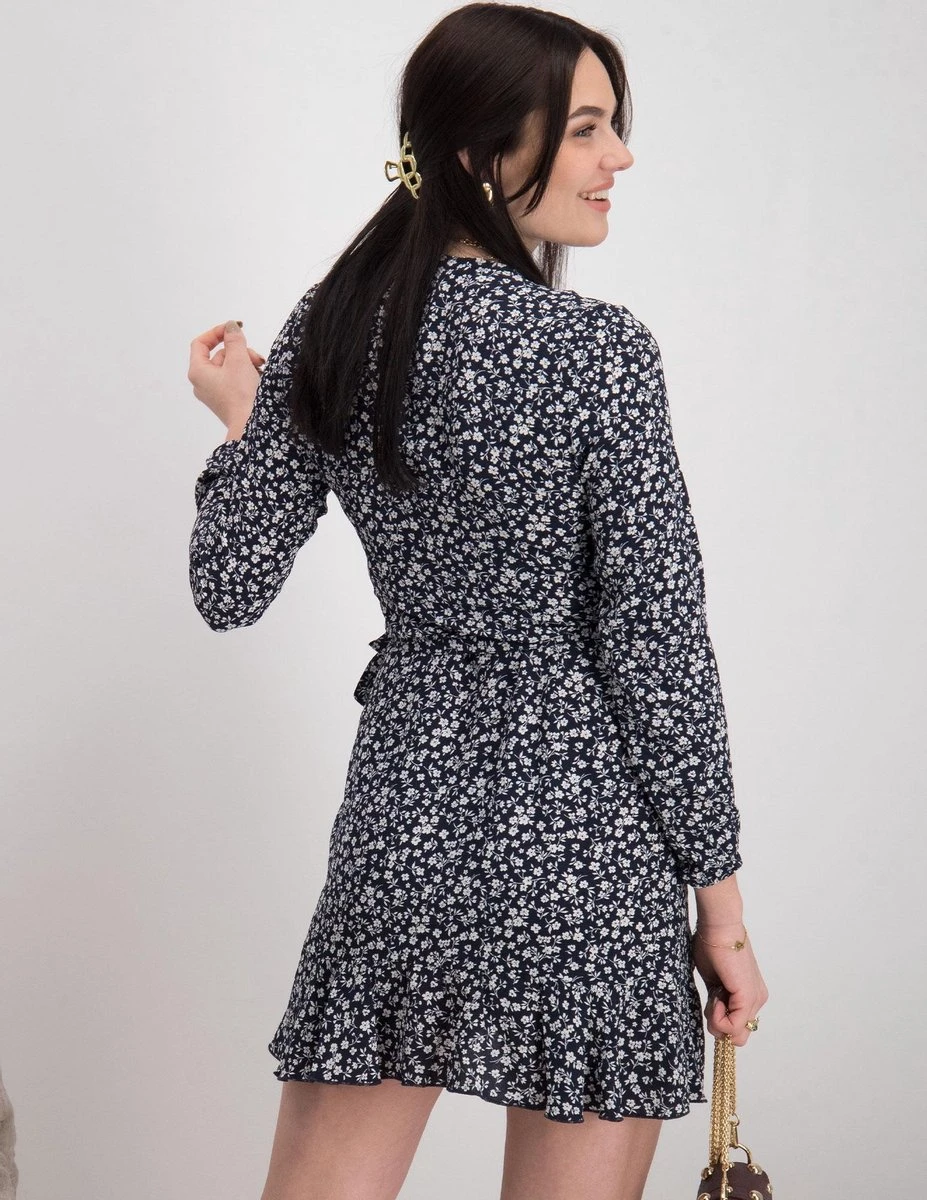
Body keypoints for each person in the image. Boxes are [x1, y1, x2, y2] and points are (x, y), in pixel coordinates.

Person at [186, 4, 768, 1198]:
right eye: (588, 129)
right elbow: (660, 655)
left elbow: (227, 586)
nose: (621, 157)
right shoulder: (600, 354)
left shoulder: (333, 326)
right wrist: (724, 917)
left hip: (406, 826)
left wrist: (247, 423)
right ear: (476, 153)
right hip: (590, 853)